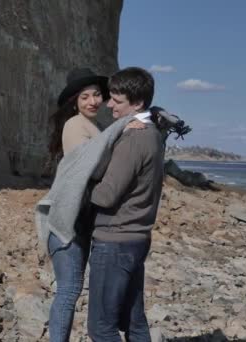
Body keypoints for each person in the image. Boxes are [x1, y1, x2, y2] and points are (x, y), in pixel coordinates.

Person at [45, 67, 143, 342]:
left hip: (80, 223)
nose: (92, 102)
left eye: (97, 95)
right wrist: (123, 126)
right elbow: (91, 166)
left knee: (71, 290)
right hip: (68, 225)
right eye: (85, 96)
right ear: (75, 101)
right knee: (68, 291)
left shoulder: (94, 127)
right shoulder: (76, 124)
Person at [87, 67, 164, 341]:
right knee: (135, 322)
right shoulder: (153, 133)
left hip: (115, 240)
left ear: (138, 103)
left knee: (101, 327)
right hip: (136, 238)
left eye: (117, 101)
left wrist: (79, 185)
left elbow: (107, 195)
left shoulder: (134, 138)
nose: (109, 105)